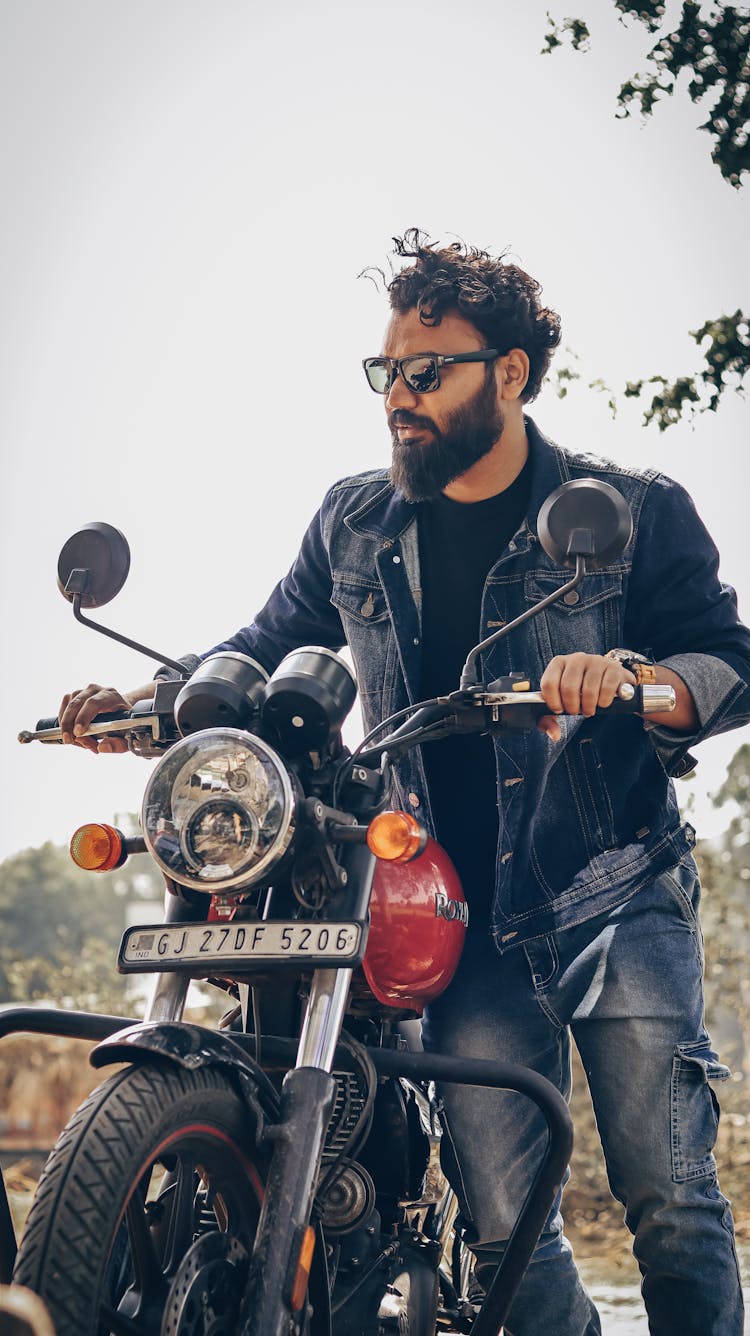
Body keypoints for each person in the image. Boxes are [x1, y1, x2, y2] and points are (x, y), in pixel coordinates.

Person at [59, 230, 750, 1335]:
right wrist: (147, 704)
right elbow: (261, 650)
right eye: (387, 373)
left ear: (510, 372)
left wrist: (633, 681)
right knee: (504, 1221)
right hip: (449, 912)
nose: (399, 398)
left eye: (426, 372)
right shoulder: (355, 522)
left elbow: (731, 661)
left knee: (669, 1201)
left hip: (611, 896)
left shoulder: (629, 508)